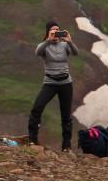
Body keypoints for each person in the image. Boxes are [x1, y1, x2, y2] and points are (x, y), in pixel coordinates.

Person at [28, 20, 79, 151]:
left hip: (66, 83)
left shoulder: (64, 45)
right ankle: (32, 139)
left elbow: (76, 52)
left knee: (66, 115)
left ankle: (66, 146)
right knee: (37, 108)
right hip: (50, 83)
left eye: (57, 29)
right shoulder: (44, 46)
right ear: (48, 32)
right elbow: (37, 52)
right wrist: (48, 40)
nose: (55, 31)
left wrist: (69, 41)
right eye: (52, 30)